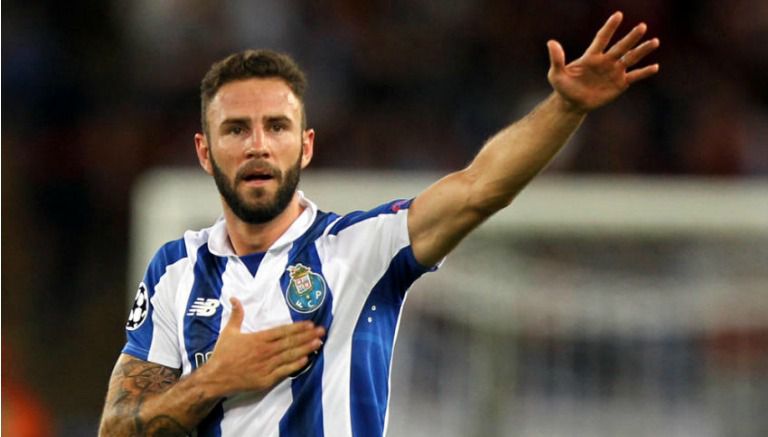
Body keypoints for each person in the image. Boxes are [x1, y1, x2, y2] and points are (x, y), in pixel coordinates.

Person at [99, 11, 659, 437]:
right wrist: (215, 380)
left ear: (306, 146)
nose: (259, 146)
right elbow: (118, 426)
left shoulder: (360, 248)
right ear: (204, 150)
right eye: (236, 129)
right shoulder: (175, 268)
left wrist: (566, 109)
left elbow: (479, 187)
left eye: (276, 126)